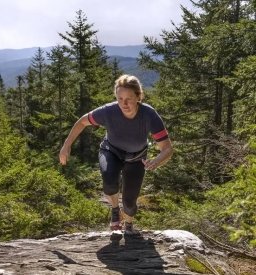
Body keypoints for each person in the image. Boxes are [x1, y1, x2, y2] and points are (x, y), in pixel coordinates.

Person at [59, 74, 173, 234]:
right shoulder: (108, 111)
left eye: (129, 99)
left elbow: (167, 148)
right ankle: (114, 210)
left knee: (130, 202)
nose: (124, 104)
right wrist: (66, 145)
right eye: (120, 99)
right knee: (109, 181)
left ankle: (129, 223)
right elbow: (82, 122)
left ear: (139, 96)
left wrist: (157, 161)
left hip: (136, 158)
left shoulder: (149, 115)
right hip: (110, 151)